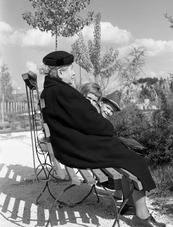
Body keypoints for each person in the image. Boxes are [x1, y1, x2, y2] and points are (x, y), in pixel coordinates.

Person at [40, 50, 166, 227]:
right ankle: (141, 217)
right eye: (71, 70)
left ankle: (130, 205)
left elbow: (79, 119)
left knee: (127, 152)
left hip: (68, 146)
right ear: (61, 73)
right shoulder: (62, 92)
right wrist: (109, 128)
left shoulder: (49, 92)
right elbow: (89, 121)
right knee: (136, 159)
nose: (74, 73)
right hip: (77, 149)